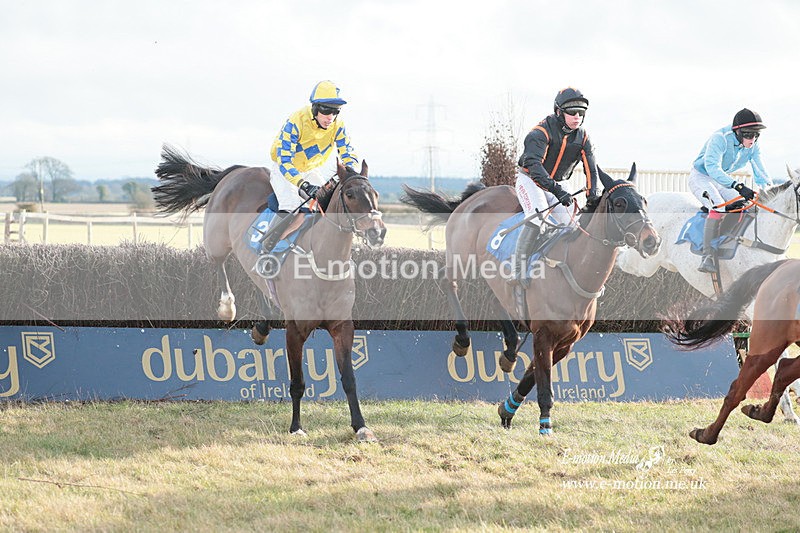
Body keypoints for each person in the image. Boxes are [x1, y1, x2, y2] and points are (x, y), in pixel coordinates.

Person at [512, 87, 601, 287]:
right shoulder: (540, 133)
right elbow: (534, 168)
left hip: (559, 183)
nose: (577, 117)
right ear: (559, 112)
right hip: (531, 181)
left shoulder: (584, 137)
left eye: (581, 113)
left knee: (575, 226)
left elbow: (591, 169)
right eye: (572, 112)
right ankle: (518, 270)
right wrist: (559, 191)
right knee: (537, 219)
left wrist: (592, 194)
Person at [259, 80, 360, 255]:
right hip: (285, 170)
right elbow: (285, 161)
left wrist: (350, 172)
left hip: (310, 170)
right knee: (291, 205)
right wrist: (302, 184)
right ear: (314, 108)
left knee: (327, 203)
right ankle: (267, 248)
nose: (330, 117)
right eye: (326, 110)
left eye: (335, 111)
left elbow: (347, 152)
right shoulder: (296, 121)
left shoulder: (337, 125)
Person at [688, 108, 772, 273]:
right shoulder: (719, 139)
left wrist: (769, 191)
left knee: (747, 204)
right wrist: (738, 186)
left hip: (721, 180)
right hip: (702, 177)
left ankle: (733, 242)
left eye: (756, 135)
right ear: (737, 131)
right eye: (748, 135)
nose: (752, 139)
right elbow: (712, 168)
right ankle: (707, 255)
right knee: (719, 206)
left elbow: (760, 170)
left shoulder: (753, 145)